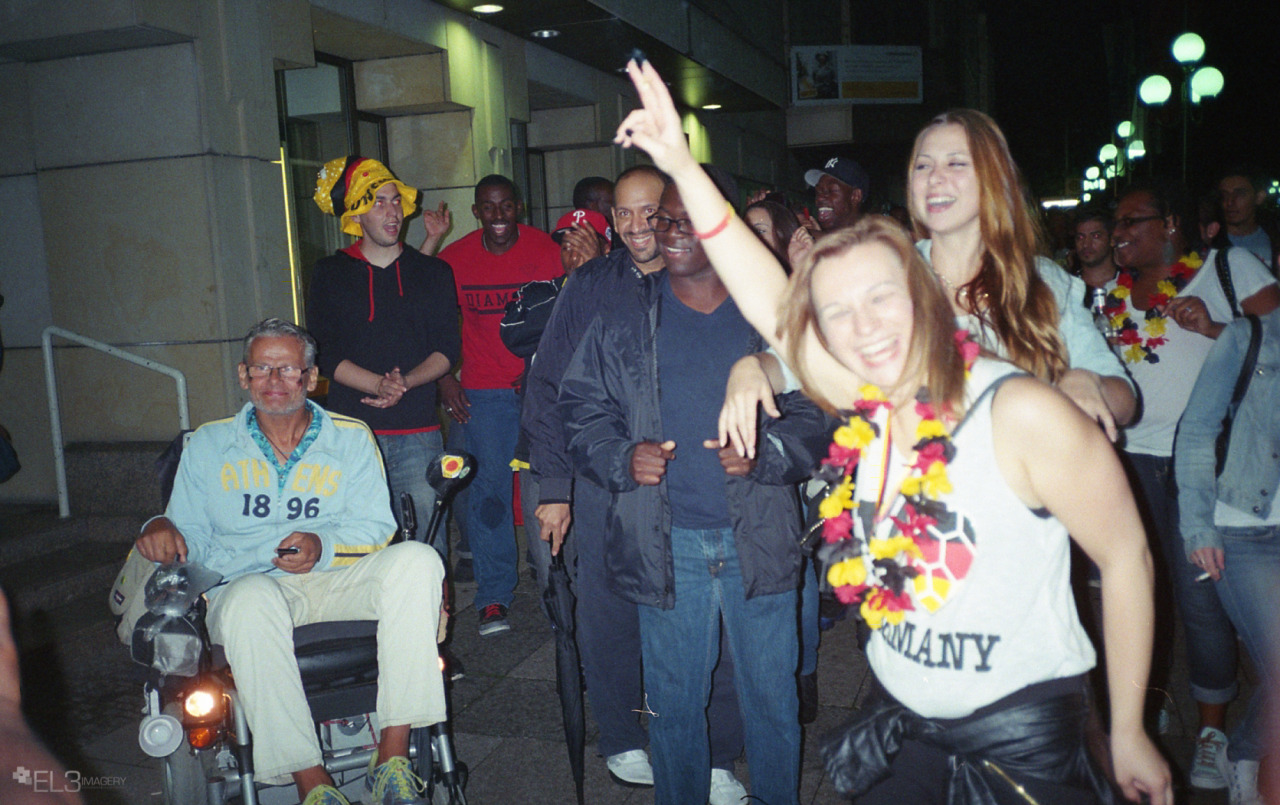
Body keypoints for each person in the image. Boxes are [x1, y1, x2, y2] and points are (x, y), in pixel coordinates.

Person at [613, 55, 1173, 805]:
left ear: (924, 299)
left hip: (1018, 745)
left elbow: (1128, 554)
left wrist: (1130, 727)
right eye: (837, 312)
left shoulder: (1023, 410)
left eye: (881, 298)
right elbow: (772, 301)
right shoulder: (871, 399)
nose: (860, 325)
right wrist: (681, 163)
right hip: (900, 725)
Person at [559, 176, 827, 805]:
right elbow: (580, 409)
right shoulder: (625, 314)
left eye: (684, 220)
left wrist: (769, 451)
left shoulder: (766, 310)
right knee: (674, 708)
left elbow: (818, 407)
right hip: (665, 540)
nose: (668, 232)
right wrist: (624, 458)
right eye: (664, 221)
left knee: (772, 703)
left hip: (757, 536)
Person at [133, 318, 446, 805]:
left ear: (311, 377)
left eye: (288, 370)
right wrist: (160, 526)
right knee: (252, 598)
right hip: (248, 588)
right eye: (262, 368)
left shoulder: (350, 437)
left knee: (419, 560)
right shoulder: (208, 446)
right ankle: (312, 785)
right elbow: (187, 533)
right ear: (243, 376)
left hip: (336, 580)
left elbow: (375, 528)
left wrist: (322, 545)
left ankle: (392, 757)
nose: (274, 381)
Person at [522, 166, 753, 800]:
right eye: (621, 215)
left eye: (648, 211)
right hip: (605, 479)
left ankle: (717, 752)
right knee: (608, 610)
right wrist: (554, 487)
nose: (634, 226)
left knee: (715, 616)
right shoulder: (591, 285)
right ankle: (625, 734)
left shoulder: (718, 279)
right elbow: (548, 389)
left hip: (699, 478)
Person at [1104, 180, 1279, 791]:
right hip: (1130, 462)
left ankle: (1211, 731)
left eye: (1133, 221)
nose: (1120, 233)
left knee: (1201, 603)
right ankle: (1144, 709)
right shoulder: (1114, 296)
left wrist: (1213, 328)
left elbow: (1276, 348)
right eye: (1116, 224)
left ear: (1172, 223)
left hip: (1204, 464)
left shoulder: (1229, 269)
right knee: (1137, 593)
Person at [307, 156, 461, 558]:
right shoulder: (329, 273)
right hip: (351, 437)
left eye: (395, 200)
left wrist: (405, 383)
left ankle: (432, 622)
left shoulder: (433, 272)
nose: (392, 212)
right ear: (356, 215)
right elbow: (324, 352)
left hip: (418, 433)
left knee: (427, 546)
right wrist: (378, 384)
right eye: (378, 203)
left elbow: (447, 349)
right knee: (356, 548)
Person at [436, 175, 562, 636]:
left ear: (518, 207)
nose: (498, 217)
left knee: (545, 493)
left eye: (506, 206)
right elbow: (429, 320)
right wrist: (446, 377)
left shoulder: (546, 250)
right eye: (489, 208)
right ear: (477, 212)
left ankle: (556, 592)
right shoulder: (455, 259)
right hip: (484, 395)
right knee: (488, 495)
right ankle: (493, 597)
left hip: (539, 391)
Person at [1175, 308, 1280, 804]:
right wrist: (1197, 525)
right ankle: (1244, 754)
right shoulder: (1246, 337)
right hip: (1244, 528)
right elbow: (1196, 430)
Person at [1218, 169, 1279, 272]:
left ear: (1259, 197)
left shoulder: (1274, 240)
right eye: (1225, 195)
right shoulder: (1211, 243)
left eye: (1240, 194)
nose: (1230, 202)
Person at [806, 157, 868, 232]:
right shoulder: (813, 240)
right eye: (818, 191)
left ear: (855, 196)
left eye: (831, 190)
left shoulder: (875, 240)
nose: (819, 198)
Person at [1074, 205, 1118, 290]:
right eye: (1080, 237)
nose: (1086, 244)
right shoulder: (1065, 287)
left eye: (1096, 236)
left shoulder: (1136, 283)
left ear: (1112, 240)